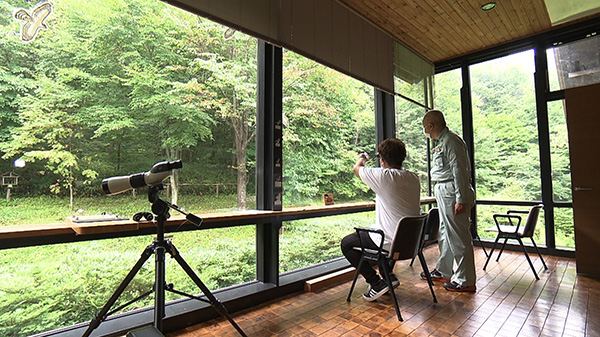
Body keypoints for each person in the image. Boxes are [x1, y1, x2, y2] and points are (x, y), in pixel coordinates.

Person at [341, 138, 420, 301]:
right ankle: (388, 275)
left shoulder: (384, 176)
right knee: (377, 232)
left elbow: (357, 169)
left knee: (347, 243)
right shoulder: (414, 178)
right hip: (410, 244)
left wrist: (363, 157)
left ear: (382, 160)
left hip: (390, 242)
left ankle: (376, 283)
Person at [422, 109, 477, 292]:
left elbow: (459, 169)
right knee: (445, 233)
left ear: (431, 126)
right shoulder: (442, 141)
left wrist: (460, 198)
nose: (425, 131)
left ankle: (465, 280)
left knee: (459, 236)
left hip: (452, 191)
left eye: (425, 128)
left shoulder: (451, 140)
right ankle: (443, 270)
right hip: (444, 190)